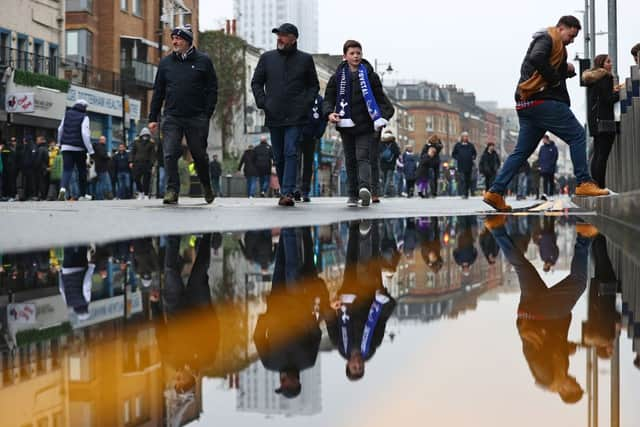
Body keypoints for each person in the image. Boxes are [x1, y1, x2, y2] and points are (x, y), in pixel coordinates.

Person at [484, 15, 609, 212]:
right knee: (577, 134)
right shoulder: (547, 38)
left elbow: (541, 64)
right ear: (561, 28)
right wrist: (556, 79)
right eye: (571, 35)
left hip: (526, 105)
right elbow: (537, 58)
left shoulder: (552, 43)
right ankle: (584, 182)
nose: (571, 40)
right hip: (543, 102)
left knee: (521, 152)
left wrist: (563, 69)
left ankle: (495, 192)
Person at [485, 215, 593, 404]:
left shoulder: (548, 378)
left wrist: (561, 347)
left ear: (566, 391)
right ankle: (496, 228)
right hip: (530, 313)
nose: (576, 380)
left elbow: (538, 350)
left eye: (576, 385)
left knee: (578, 283)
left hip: (543, 317)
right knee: (522, 266)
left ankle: (584, 238)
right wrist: (567, 348)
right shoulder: (559, 372)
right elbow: (552, 346)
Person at [253, 227, 328, 399]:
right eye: (286, 385)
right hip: (297, 302)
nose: (283, 382)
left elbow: (258, 338)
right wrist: (306, 318)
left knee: (281, 262)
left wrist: (265, 318)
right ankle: (290, 229)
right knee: (293, 269)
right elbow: (316, 334)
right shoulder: (307, 361)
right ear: (296, 383)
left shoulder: (270, 363)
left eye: (283, 384)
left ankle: (287, 228)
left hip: (277, 303)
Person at [251, 23, 320, 207]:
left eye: (283, 35)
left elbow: (314, 86)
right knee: (279, 155)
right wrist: (263, 102)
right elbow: (256, 82)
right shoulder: (267, 58)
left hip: (296, 117)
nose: (279, 38)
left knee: (291, 151)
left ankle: (287, 191)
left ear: (293, 38)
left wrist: (305, 103)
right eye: (278, 35)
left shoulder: (305, 59)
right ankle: (285, 189)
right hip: (274, 115)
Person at [148, 24, 217, 205]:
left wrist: (207, 113)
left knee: (199, 154)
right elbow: (158, 91)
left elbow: (212, 89)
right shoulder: (166, 63)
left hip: (196, 117)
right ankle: (172, 190)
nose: (174, 41)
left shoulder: (204, 61)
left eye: (178, 38)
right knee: (169, 153)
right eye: (173, 38)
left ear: (187, 40)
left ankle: (207, 186)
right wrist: (152, 117)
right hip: (172, 116)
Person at [323, 39, 394, 207]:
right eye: (352, 53)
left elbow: (382, 100)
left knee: (362, 157)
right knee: (350, 159)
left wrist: (381, 118)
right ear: (345, 56)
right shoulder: (337, 78)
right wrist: (329, 113)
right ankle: (352, 195)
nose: (356, 56)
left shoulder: (370, 76)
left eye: (358, 53)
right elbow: (328, 99)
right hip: (345, 125)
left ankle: (364, 189)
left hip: (365, 125)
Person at [326, 220, 396, 380]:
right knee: (370, 260)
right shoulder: (372, 345)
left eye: (354, 368)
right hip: (370, 293)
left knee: (351, 259)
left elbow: (330, 320)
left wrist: (330, 305)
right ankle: (371, 225)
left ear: (347, 365)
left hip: (348, 295)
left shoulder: (340, 344)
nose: (358, 364)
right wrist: (385, 298)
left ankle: (355, 226)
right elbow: (382, 319)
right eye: (360, 368)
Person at [583, 54, 620, 189]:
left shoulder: (593, 79)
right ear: (601, 64)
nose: (611, 64)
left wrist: (612, 92)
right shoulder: (605, 77)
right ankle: (601, 187)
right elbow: (608, 99)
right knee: (602, 156)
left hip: (595, 120)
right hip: (605, 120)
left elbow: (601, 96)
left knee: (598, 154)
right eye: (608, 62)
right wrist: (620, 93)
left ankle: (596, 185)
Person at [57, 99, 95, 201]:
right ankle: (83, 194)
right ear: (84, 107)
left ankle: (62, 189)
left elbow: (60, 129)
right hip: (79, 148)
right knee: (82, 171)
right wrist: (90, 150)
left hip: (66, 147)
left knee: (67, 170)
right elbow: (85, 134)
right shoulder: (85, 117)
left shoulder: (67, 114)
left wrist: (59, 143)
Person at [297, 94, 327, 202]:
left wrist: (318, 133)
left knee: (308, 164)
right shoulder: (298, 94)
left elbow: (324, 118)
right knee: (296, 161)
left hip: (311, 135)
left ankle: (305, 190)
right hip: (297, 134)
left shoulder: (319, 99)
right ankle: (296, 189)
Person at [129, 127, 156, 200]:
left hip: (147, 164)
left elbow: (152, 155)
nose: (145, 136)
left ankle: (146, 194)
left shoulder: (151, 143)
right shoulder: (136, 142)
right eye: (144, 135)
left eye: (147, 135)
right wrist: (131, 161)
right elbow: (132, 152)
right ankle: (141, 192)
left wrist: (152, 164)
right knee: (136, 178)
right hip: (137, 163)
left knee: (146, 180)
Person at [452, 131, 477, 199]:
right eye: (464, 136)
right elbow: (453, 154)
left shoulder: (470, 145)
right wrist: (458, 158)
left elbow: (474, 153)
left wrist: (473, 157)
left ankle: (466, 193)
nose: (465, 137)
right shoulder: (458, 145)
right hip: (461, 165)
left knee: (467, 179)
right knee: (462, 179)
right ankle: (463, 193)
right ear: (462, 137)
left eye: (466, 136)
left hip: (469, 165)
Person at [378, 129, 400, 197]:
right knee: (389, 178)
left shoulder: (381, 143)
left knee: (384, 178)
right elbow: (397, 153)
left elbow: (378, 152)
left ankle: (383, 192)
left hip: (383, 163)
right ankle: (385, 192)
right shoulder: (393, 143)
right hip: (391, 163)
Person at [92, 135, 112, 200]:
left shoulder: (97, 147)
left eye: (104, 139)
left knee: (99, 182)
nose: (104, 141)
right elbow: (103, 155)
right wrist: (108, 157)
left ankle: (98, 196)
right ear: (100, 140)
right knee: (102, 182)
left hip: (98, 167)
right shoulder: (100, 147)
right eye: (103, 140)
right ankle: (100, 196)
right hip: (102, 167)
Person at [34, 135, 50, 200]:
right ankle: (45, 195)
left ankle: (42, 196)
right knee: (45, 182)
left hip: (41, 168)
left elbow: (39, 160)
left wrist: (36, 166)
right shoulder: (46, 148)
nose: (36, 141)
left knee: (41, 182)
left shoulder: (40, 149)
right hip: (46, 167)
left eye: (37, 140)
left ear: (41, 140)